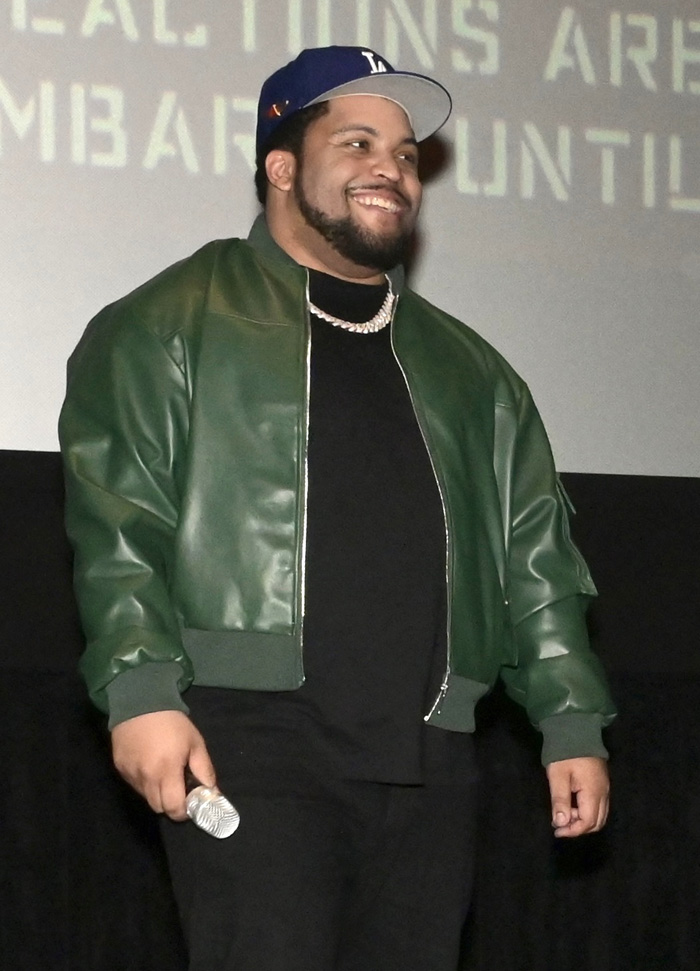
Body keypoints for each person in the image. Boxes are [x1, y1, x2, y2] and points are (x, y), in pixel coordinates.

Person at [59, 45, 616, 971]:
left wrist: (570, 721)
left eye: (404, 154)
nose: (391, 169)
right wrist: (140, 691)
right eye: (357, 141)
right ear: (281, 165)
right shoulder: (168, 320)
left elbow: (536, 560)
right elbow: (120, 524)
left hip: (431, 752)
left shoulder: (474, 372)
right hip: (247, 737)